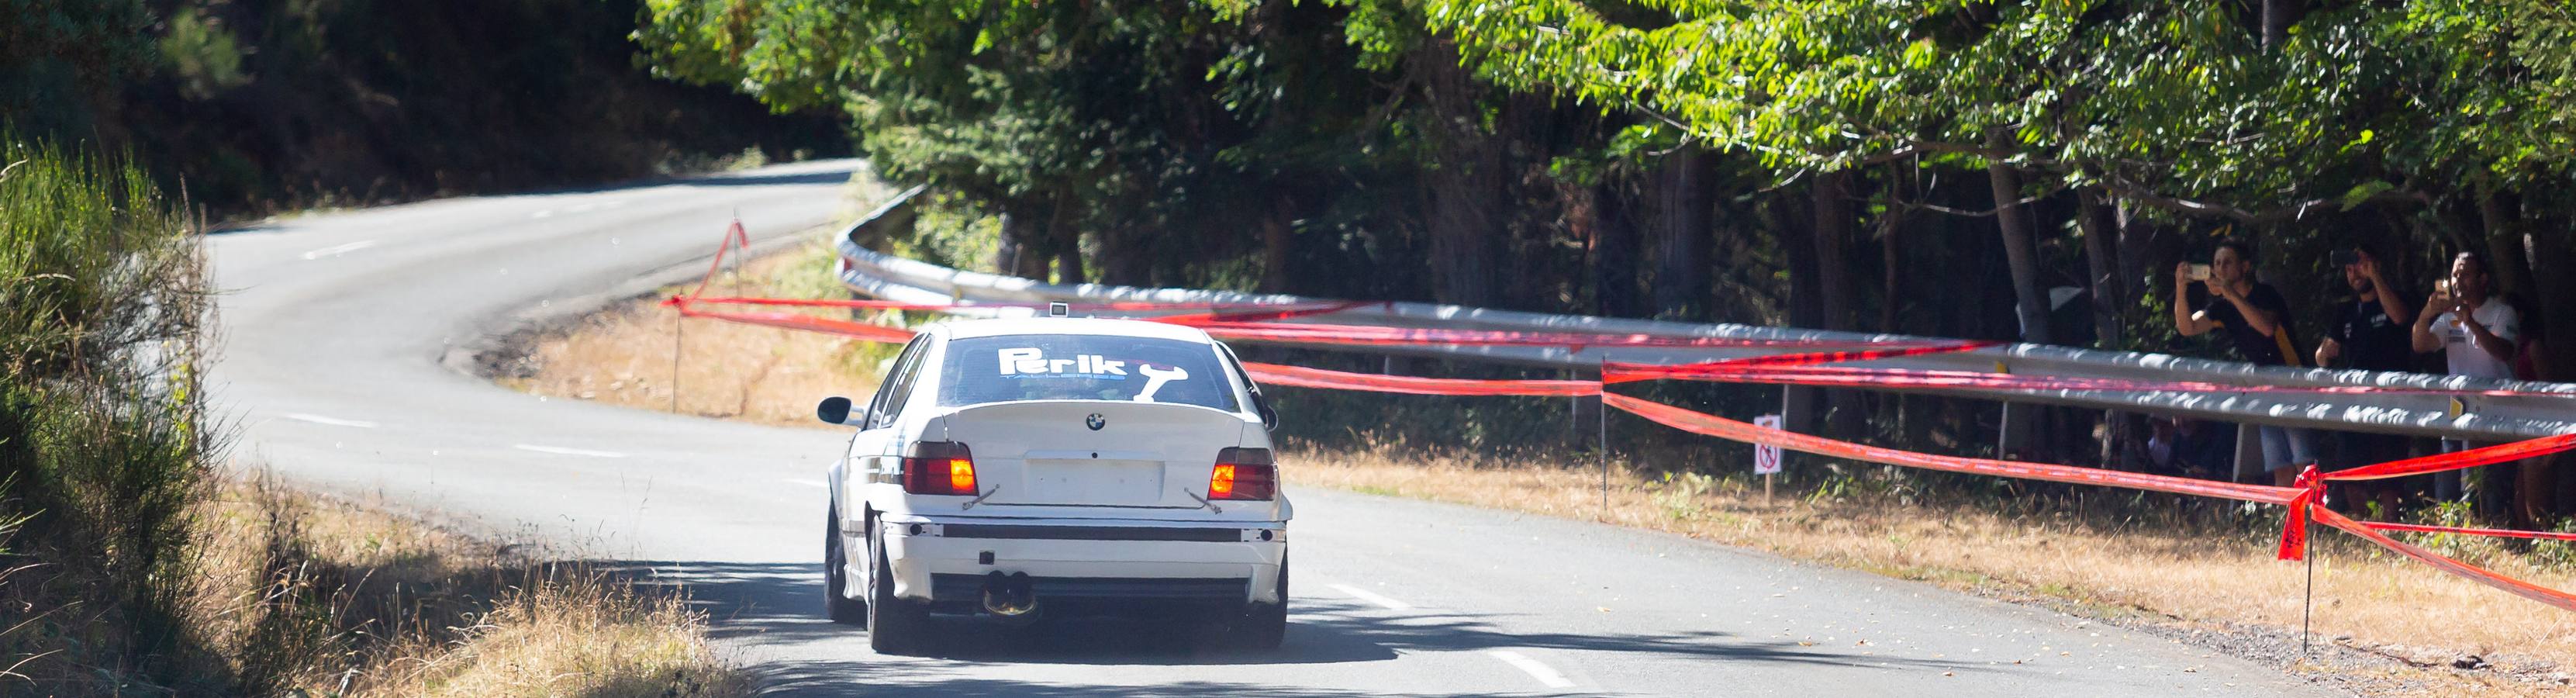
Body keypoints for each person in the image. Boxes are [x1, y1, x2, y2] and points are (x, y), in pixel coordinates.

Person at [2173, 238, 2315, 486]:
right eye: (2217, 263)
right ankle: (2289, 522)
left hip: (2293, 383)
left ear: (2245, 267)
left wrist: (2230, 294)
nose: (2220, 269)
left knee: (2303, 462)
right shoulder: (2222, 307)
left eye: (2228, 263)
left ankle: (2316, 519)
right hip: (2263, 387)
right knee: (2279, 465)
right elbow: (2187, 327)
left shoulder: (2265, 294)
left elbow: (2266, 327)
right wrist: (2180, 288)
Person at [2411, 251, 2521, 503]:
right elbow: (2421, 344)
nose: (2458, 281)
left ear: (2483, 279)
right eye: (2454, 275)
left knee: (2492, 495)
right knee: (2448, 494)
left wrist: (2470, 322)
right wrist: (2426, 313)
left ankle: (2497, 537)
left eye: (2465, 274)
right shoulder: (2449, 318)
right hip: (2457, 413)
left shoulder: (2502, 313)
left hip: (2496, 417)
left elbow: (2504, 352)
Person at [2313, 247, 2413, 517]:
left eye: (2358, 265)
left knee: (2389, 472)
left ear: (2375, 264)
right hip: (2354, 405)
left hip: (2392, 402)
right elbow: (2322, 358)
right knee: (2350, 471)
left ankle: (2392, 525)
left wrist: (2375, 276)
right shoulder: (2346, 310)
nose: (2354, 273)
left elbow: (2400, 317)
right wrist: (2325, 352)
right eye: (2348, 269)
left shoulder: (2396, 299)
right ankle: (2363, 528)